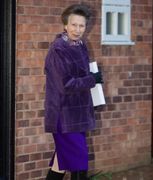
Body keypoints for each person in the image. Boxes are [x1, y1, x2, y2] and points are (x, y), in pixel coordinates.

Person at [44, 4, 103, 180]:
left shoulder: (81, 45)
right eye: (74, 25)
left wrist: (92, 78)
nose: (77, 30)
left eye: (81, 26)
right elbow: (65, 85)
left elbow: (80, 76)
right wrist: (92, 80)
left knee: (61, 163)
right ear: (65, 25)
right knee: (79, 162)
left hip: (78, 114)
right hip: (64, 115)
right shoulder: (58, 50)